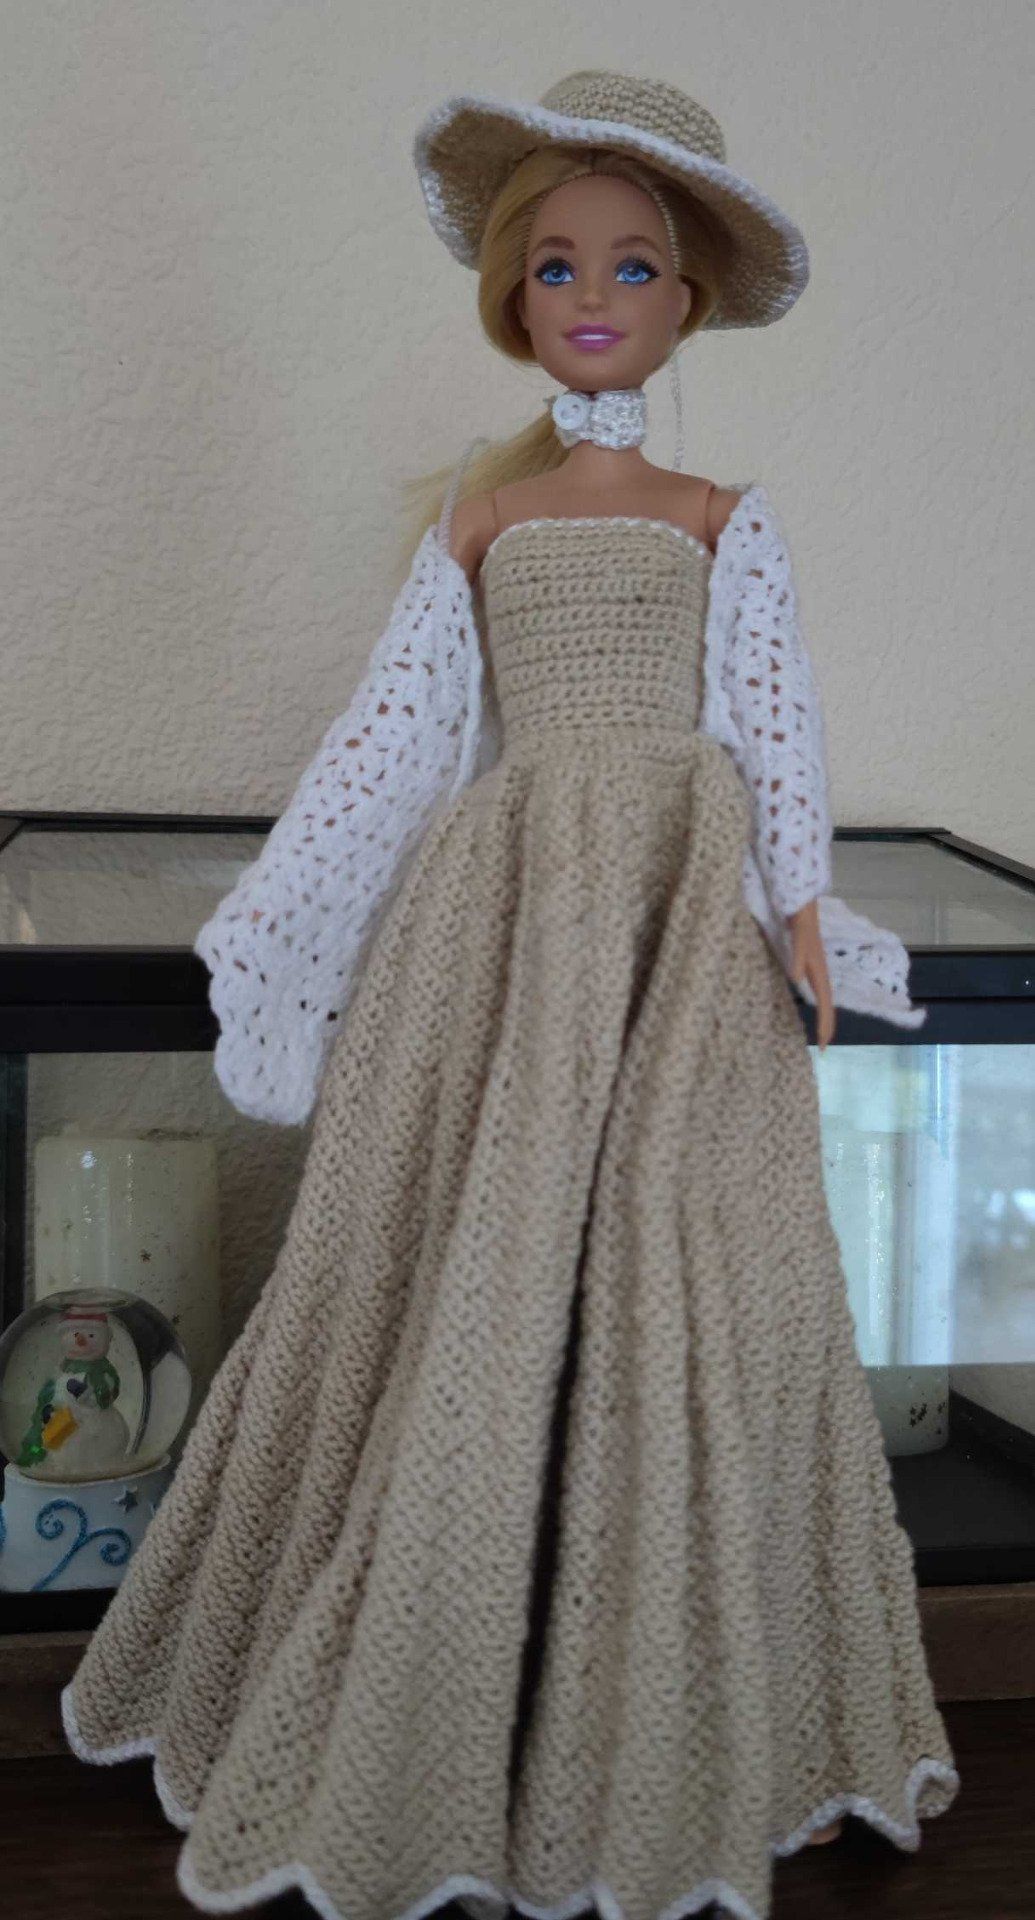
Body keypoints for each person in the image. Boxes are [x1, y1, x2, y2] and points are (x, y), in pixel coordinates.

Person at [60, 68, 960, 1920]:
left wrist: (803, 905)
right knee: (475, 1254)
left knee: (687, 1262)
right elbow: (393, 743)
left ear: (687, 296)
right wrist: (290, 912)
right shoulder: (483, 524)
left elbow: (781, 726)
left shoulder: (721, 517)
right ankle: (458, 1694)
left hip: (674, 919)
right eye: (559, 264)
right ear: (514, 295)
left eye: (631, 264)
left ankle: (697, 1715)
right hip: (511, 907)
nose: (595, 294)